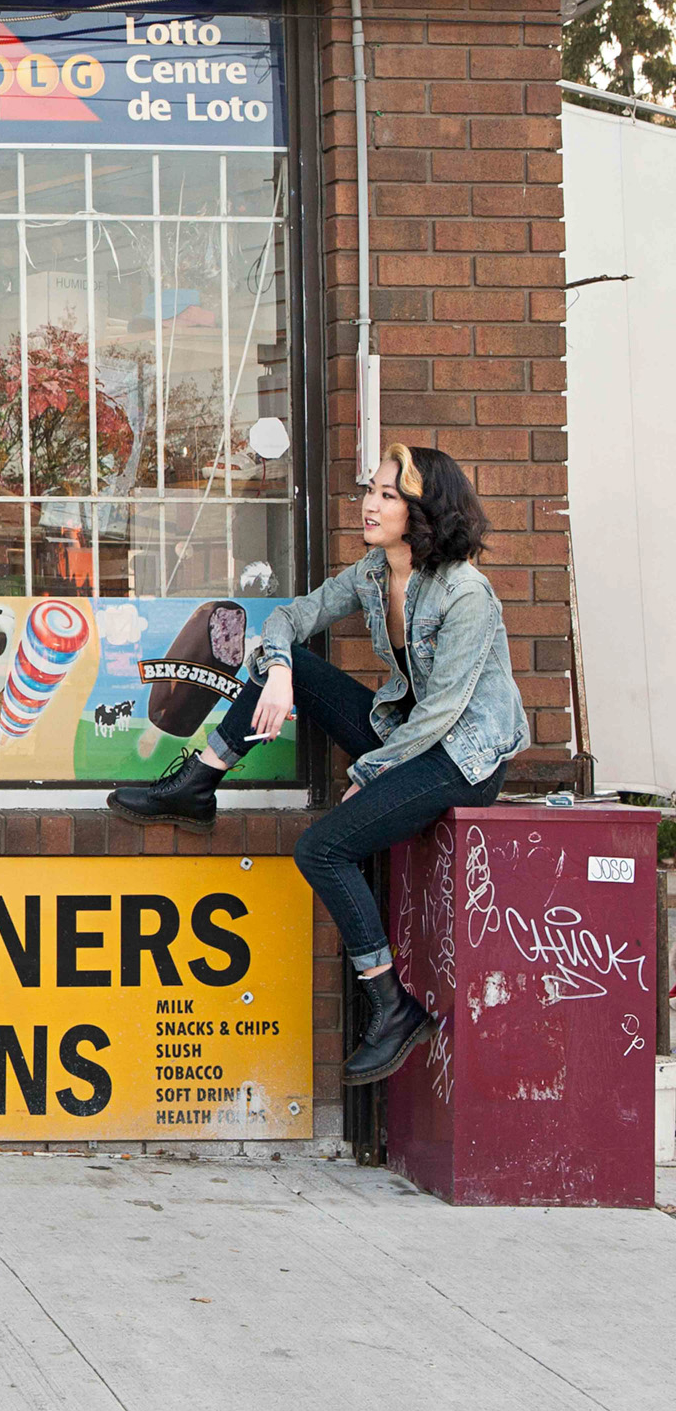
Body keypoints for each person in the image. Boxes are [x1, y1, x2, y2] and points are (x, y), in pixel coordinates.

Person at [109, 442, 528, 1085]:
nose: (369, 503)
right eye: (372, 489)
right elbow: (290, 615)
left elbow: (443, 714)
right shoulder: (371, 573)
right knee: (293, 663)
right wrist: (278, 671)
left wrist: (370, 776)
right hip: (404, 737)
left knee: (323, 849)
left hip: (459, 756)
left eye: (389, 495)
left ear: (423, 511)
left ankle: (392, 1006)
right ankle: (199, 783)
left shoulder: (465, 593)